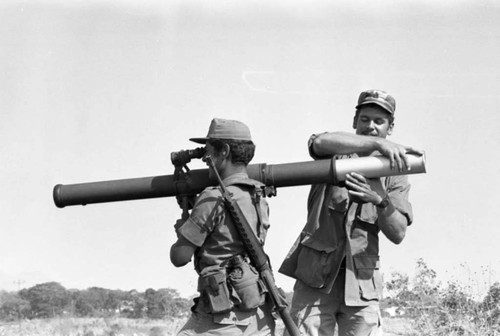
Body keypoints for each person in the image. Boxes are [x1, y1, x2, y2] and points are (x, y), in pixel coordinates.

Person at [279, 89, 423, 336]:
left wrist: (379, 200)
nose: (371, 126)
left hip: (362, 283)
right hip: (316, 278)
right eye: (365, 119)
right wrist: (378, 144)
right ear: (355, 121)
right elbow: (318, 141)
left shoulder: (396, 171)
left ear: (391, 127)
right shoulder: (335, 153)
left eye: (379, 122)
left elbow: (398, 233)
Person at [171, 118, 276, 336]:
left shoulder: (213, 198)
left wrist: (182, 228)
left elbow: (179, 257)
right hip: (258, 313)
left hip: (222, 319)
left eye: (208, 151)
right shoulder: (258, 195)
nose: (204, 159)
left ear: (224, 151)